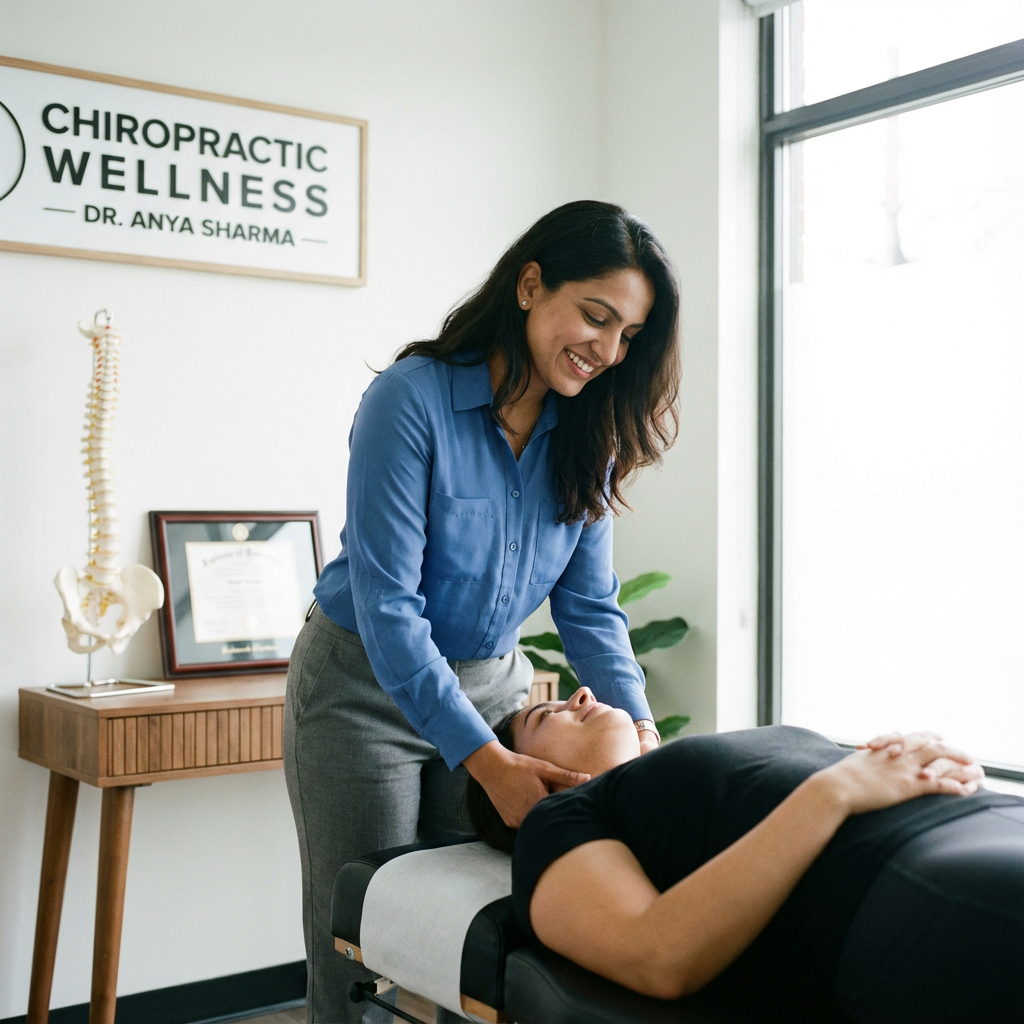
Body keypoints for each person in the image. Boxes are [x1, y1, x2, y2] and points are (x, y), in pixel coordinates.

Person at [283, 201, 682, 1021]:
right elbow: (389, 605)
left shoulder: (591, 434)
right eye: (595, 317)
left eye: (628, 335)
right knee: (355, 943)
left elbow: (590, 610)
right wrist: (487, 765)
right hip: (363, 688)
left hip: (499, 691)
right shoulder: (410, 401)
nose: (607, 351)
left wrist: (643, 739)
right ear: (532, 285)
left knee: (471, 937)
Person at [466, 687, 1024, 1023]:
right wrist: (836, 791)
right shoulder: (557, 821)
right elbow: (656, 953)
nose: (581, 694)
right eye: (548, 715)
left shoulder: (670, 768)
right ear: (528, 780)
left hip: (988, 820)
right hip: (903, 878)